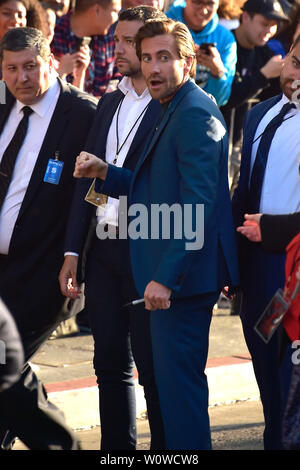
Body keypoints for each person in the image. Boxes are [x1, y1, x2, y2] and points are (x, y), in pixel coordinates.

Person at [72, 17, 239, 450]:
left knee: (179, 403)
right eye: (147, 58)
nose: (153, 68)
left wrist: (165, 277)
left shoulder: (194, 114)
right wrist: (106, 173)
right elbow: (154, 183)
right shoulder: (173, 107)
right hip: (171, 279)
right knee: (172, 397)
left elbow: (197, 206)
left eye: (164, 57)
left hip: (181, 285)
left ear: (188, 60)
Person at [59, 5, 166, 451]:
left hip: (147, 250)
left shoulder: (169, 107)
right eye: (117, 39)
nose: (117, 48)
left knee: (153, 367)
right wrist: (72, 251)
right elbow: (90, 180)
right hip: (102, 250)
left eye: (128, 42)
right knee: (109, 365)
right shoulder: (109, 100)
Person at [0, 26, 97, 449]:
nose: (22, 78)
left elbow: (93, 196)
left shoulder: (83, 114)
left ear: (51, 63)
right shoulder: (3, 105)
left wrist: (78, 255)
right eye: (11, 69)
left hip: (47, 272)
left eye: (30, 66)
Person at [231, 33, 300, 449]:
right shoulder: (259, 115)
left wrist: (275, 230)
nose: (297, 74)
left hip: (294, 268)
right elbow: (241, 193)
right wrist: (229, 263)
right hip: (256, 271)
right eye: (294, 62)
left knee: (290, 380)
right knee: (268, 380)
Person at [221, 0, 289, 195]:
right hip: (220, 142)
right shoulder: (226, 45)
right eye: (264, 23)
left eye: (274, 25)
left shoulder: (266, 53)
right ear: (245, 17)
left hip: (248, 146)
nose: (269, 30)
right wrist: (263, 75)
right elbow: (227, 97)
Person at [165, 0, 237, 107]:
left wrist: (217, 72)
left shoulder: (226, 39)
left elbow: (220, 100)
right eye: (198, 2)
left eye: (210, 4)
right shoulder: (162, 26)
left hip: (200, 114)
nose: (203, 10)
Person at [51, 0, 121, 98]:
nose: (117, 18)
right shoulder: (52, 34)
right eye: (114, 11)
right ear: (97, 10)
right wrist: (61, 72)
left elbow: (117, 77)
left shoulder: (108, 38)